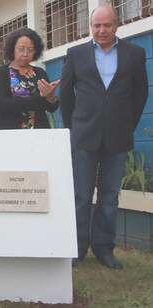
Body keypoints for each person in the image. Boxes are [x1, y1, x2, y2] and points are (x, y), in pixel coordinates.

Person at [59, 5, 148, 269]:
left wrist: (126, 125)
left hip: (118, 138)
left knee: (109, 197)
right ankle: (76, 249)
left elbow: (140, 94)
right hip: (84, 137)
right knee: (81, 196)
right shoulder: (75, 54)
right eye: (96, 26)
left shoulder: (135, 53)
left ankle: (104, 249)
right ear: (91, 27)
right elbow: (65, 95)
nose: (101, 30)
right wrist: (72, 130)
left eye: (106, 25)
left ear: (116, 25)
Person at [0, 28, 60, 130]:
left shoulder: (40, 73)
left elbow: (51, 108)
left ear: (35, 51)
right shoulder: (2, 72)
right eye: (21, 49)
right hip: (9, 134)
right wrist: (38, 98)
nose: (25, 54)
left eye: (30, 50)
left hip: (37, 134)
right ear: (13, 49)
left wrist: (51, 97)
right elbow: (0, 104)